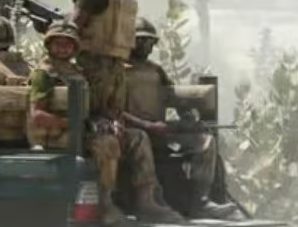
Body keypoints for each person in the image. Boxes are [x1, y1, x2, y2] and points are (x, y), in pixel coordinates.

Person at [26, 20, 184, 226]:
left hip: (81, 130)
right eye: (58, 43)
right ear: (49, 45)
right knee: (106, 143)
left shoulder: (76, 72)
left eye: (68, 44)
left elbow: (92, 108)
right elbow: (37, 115)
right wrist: (73, 124)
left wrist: (109, 122)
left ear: (75, 47)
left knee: (138, 137)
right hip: (56, 135)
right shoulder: (44, 74)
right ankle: (106, 205)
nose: (63, 48)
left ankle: (146, 200)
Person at [122, 16, 237, 219]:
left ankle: (200, 201)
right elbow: (112, 109)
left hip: (158, 130)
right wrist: (147, 125)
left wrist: (188, 120)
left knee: (204, 141)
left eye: (150, 41)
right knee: (141, 137)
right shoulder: (117, 71)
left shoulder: (155, 70)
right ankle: (148, 202)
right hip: (130, 132)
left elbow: (174, 97)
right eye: (140, 40)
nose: (146, 45)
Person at [69, 0, 138, 122]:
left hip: (92, 68)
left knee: (86, 123)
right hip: (117, 72)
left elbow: (71, 29)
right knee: (110, 123)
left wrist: (50, 28)